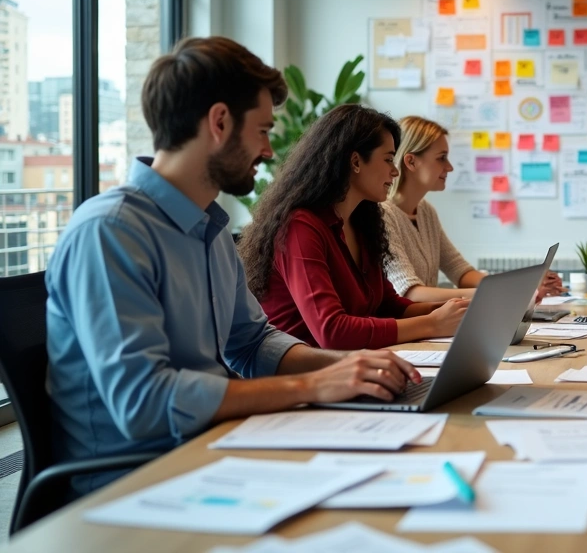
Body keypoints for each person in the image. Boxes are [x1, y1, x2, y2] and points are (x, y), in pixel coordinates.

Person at [45, 37, 422, 494]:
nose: (268, 151)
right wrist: (314, 386)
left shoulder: (208, 230)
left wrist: (349, 364)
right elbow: (143, 403)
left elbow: (251, 342)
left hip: (212, 450)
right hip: (134, 482)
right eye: (262, 131)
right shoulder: (111, 232)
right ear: (220, 123)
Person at [239, 106, 468, 350]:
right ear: (356, 161)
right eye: (389, 159)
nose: (395, 170)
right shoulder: (299, 227)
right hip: (302, 379)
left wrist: (455, 310)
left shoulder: (362, 222)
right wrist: (433, 324)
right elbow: (332, 331)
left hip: (348, 369)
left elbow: (387, 305)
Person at [383, 116, 562, 302]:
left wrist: (524, 285)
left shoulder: (426, 212)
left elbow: (460, 271)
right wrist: (505, 292)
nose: (450, 167)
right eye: (441, 158)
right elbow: (411, 293)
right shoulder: (383, 215)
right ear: (411, 162)